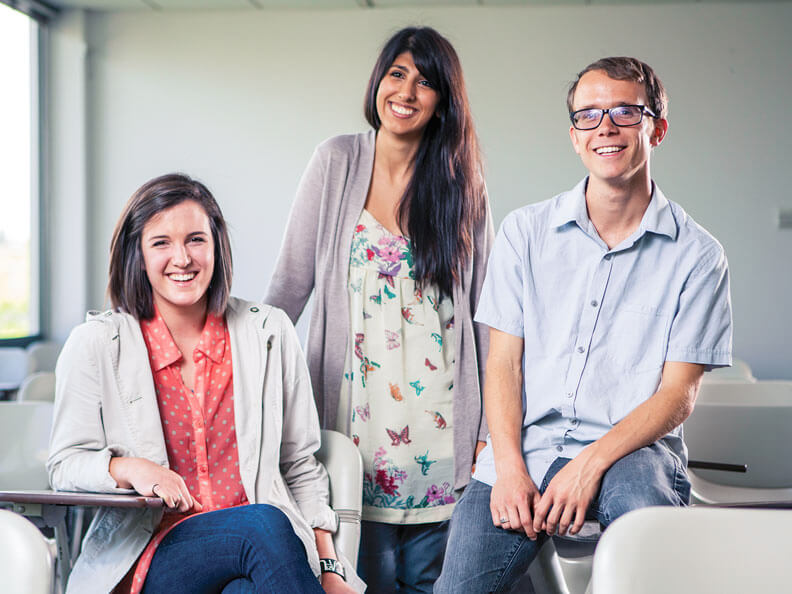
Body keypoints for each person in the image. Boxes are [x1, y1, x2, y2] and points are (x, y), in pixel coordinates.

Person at [436, 57, 733, 592]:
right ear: (575, 136)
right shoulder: (525, 233)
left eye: (625, 110)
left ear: (656, 128)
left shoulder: (698, 256)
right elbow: (503, 360)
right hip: (527, 448)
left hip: (632, 454)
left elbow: (678, 396)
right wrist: (506, 467)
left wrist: (589, 464)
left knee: (646, 537)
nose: (606, 127)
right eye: (589, 115)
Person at [48, 174, 362, 594]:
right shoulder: (97, 343)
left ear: (216, 247)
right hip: (156, 553)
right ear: (138, 255)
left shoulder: (269, 333)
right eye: (161, 243)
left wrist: (329, 567)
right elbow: (64, 465)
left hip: (265, 555)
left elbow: (299, 467)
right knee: (261, 522)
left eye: (196, 239)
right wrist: (131, 469)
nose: (182, 258)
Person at [265, 26, 493, 593]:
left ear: (443, 102)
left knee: (426, 579)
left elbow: (490, 317)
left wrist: (489, 428)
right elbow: (288, 289)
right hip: (350, 425)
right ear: (378, 82)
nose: (407, 92)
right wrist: (247, 383)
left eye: (425, 82)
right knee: (359, 575)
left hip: (440, 427)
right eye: (397, 74)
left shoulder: (462, 182)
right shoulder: (336, 161)